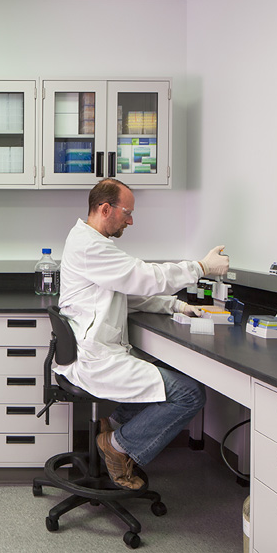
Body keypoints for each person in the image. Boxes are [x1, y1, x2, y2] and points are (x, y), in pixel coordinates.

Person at [56, 178, 229, 489]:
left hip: (94, 349)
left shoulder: (87, 241)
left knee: (166, 377)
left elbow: (126, 290)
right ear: (105, 209)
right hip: (96, 357)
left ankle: (114, 426)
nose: (131, 220)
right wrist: (201, 267)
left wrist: (175, 305)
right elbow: (143, 276)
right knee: (189, 393)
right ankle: (117, 445)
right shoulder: (91, 246)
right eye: (127, 212)